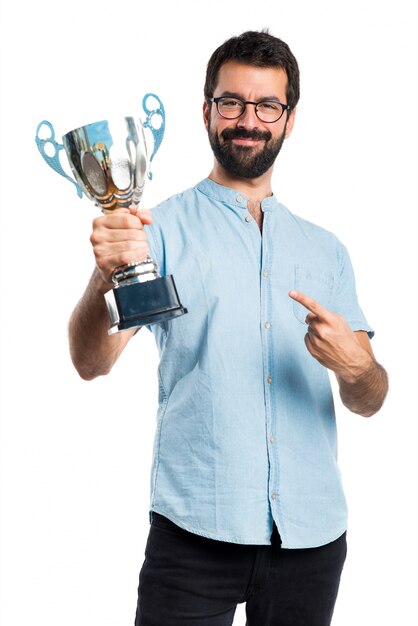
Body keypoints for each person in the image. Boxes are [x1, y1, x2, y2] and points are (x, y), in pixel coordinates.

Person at [69, 30, 388, 626]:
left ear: (289, 119)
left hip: (311, 539)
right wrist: (105, 273)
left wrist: (358, 368)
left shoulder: (327, 250)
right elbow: (92, 361)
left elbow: (370, 398)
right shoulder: (155, 229)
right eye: (232, 102)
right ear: (207, 111)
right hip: (193, 535)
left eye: (267, 105)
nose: (249, 120)